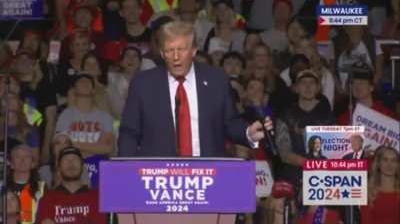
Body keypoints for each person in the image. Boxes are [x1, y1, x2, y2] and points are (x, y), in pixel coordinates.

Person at [118, 21, 268, 157]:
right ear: (162, 54)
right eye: (170, 51)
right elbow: (129, 133)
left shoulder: (216, 80)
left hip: (207, 175)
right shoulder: (143, 84)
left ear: (194, 51)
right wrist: (126, 170)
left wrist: (248, 133)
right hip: (158, 178)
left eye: (181, 50)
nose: (176, 57)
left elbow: (230, 122)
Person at [56, 73, 114, 187]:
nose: (84, 83)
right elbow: (60, 146)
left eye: (87, 81)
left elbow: (107, 147)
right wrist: (94, 148)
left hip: (97, 165)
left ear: (93, 90)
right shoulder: (65, 115)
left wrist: (74, 144)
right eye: (80, 81)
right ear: (74, 89)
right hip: (71, 164)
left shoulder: (104, 116)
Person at [36, 147, 107, 224]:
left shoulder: (97, 198)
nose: (71, 163)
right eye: (66, 160)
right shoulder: (47, 200)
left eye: (75, 159)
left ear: (83, 167)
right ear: (59, 169)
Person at [361, 145, 400, 224]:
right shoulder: (368, 191)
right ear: (378, 163)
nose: (389, 164)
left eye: (394, 160)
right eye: (385, 160)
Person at [8, 144, 46, 224]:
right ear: (11, 164)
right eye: (18, 156)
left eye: (27, 157)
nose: (23, 160)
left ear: (32, 164)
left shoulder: (43, 188)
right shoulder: (2, 188)